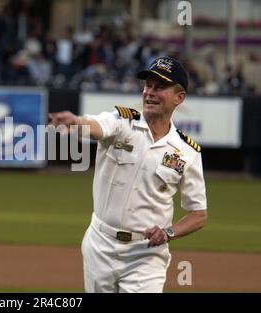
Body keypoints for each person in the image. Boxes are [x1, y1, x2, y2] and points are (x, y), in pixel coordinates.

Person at [49, 57, 207, 293]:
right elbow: (97, 125)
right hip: (100, 245)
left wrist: (168, 232)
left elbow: (199, 213)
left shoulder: (187, 151)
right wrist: (77, 122)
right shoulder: (123, 122)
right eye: (148, 86)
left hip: (146, 255)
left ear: (179, 97)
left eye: (160, 87)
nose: (150, 93)